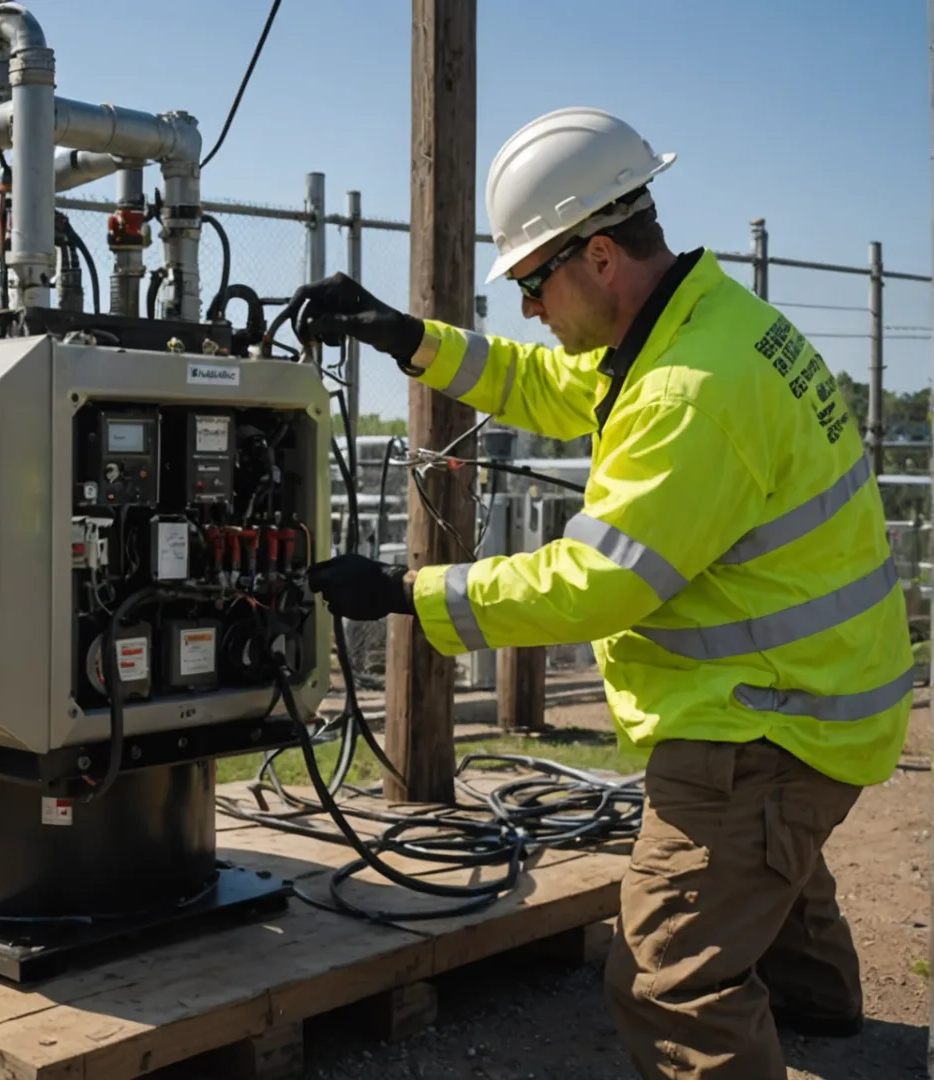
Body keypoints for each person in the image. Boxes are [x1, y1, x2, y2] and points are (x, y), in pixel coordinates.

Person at [294, 107, 910, 1078]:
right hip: (825, 689)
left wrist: (408, 593)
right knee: (770, 866)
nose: (528, 308)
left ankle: (772, 1014)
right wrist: (403, 335)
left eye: (533, 283)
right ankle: (824, 1014)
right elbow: (547, 385)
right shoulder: (707, 325)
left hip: (764, 721)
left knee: (671, 985)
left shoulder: (686, 391)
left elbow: (595, 584)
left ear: (597, 257)